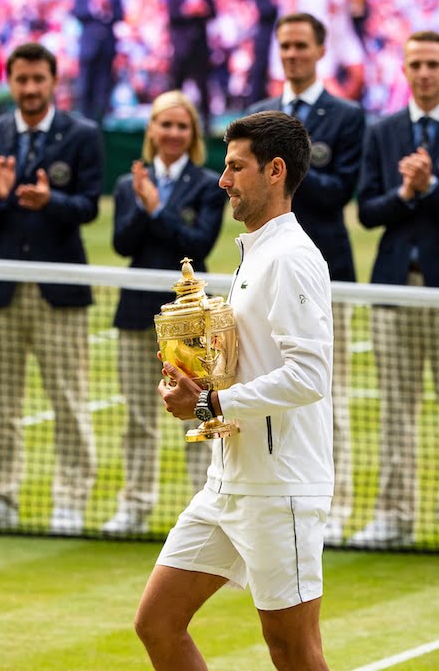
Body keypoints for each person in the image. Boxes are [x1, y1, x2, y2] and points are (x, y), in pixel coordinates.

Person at [135, 111, 333, 671]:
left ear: (275, 170)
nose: (222, 180)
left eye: (234, 167)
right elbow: (250, 364)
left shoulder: (293, 258)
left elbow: (309, 376)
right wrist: (196, 377)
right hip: (226, 483)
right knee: (157, 623)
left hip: (280, 488)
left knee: (294, 652)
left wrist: (208, 402)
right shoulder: (257, 252)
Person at [352, 30, 439, 553]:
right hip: (394, 289)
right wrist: (406, 193)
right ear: (404, 70)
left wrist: (433, 189)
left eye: (433, 63)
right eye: (414, 63)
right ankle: (394, 513)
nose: (424, 72)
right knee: (396, 407)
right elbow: (369, 211)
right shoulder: (384, 130)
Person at [0, 43, 103, 535]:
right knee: (0, 400)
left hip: (59, 290)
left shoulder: (81, 135)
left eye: (39, 79)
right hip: (1, 291)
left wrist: (51, 200)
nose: (31, 88)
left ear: (53, 80)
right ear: (11, 82)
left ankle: (71, 500)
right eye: (22, 79)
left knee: (68, 399)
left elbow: (88, 206)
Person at [248, 12, 364, 547]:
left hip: (321, 264)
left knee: (319, 389)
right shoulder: (259, 117)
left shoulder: (344, 114)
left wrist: (281, 180)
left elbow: (341, 190)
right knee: (263, 372)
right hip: (266, 262)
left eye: (301, 45)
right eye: (285, 46)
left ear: (320, 50)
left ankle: (329, 504)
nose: (292, 54)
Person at [104, 90, 225, 536]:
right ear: (152, 130)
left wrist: (156, 207)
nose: (172, 133)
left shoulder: (210, 183)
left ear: (192, 133)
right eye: (165, 124)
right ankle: (134, 505)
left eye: (181, 126)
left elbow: (198, 245)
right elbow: (123, 244)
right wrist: (142, 205)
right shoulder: (126, 185)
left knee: (200, 412)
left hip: (191, 322)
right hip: (137, 313)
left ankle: (208, 509)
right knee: (138, 414)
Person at [71, 0, 124, 123]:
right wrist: (94, 5)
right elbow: (77, 12)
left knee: (104, 84)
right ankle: (84, 120)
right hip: (89, 46)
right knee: (86, 84)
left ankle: (101, 120)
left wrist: (107, 8)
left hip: (107, 46)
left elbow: (120, 15)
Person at [167, 0, 216, 130]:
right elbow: (172, 15)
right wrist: (189, 10)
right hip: (182, 48)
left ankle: (207, 125)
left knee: (203, 87)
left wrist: (203, 10)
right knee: (176, 87)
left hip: (200, 48)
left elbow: (213, 12)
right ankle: (172, 120)